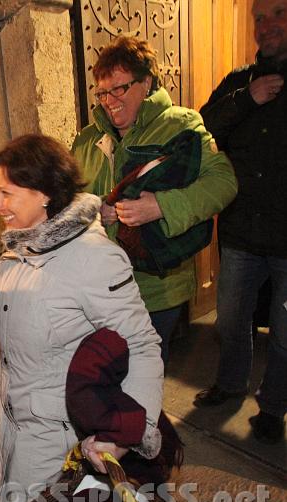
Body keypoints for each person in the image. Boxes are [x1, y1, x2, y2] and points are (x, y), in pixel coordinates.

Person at [0, 134, 163, 502]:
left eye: (6, 194)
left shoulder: (93, 257)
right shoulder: (24, 245)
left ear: (45, 193)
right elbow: (33, 305)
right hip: (16, 426)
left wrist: (124, 433)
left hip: (62, 438)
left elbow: (142, 345)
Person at [72, 36, 237, 361]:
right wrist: (94, 209)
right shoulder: (87, 139)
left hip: (154, 289)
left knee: (138, 376)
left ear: (146, 82)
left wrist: (160, 207)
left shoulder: (180, 125)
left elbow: (223, 183)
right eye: (102, 92)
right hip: (98, 287)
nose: (109, 100)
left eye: (119, 88)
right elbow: (70, 198)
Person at [193, 0, 286, 444]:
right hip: (240, 232)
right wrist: (247, 100)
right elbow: (201, 130)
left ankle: (273, 406)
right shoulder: (237, 83)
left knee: (285, 333)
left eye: (279, 13)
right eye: (260, 17)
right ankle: (231, 384)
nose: (266, 25)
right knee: (230, 320)